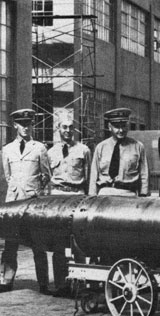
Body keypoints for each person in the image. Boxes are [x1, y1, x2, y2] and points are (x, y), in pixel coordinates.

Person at [0, 109, 51, 295]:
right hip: (13, 203)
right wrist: (17, 190)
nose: (26, 128)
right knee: (10, 244)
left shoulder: (39, 148)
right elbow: (8, 176)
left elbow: (46, 175)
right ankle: (6, 281)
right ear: (15, 125)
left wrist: (34, 191)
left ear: (32, 125)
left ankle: (43, 283)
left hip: (33, 203)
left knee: (38, 245)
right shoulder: (7, 149)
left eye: (29, 124)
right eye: (22, 124)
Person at [46, 113, 91, 297]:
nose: (67, 131)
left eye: (71, 127)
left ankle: (82, 284)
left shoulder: (83, 150)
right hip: (57, 196)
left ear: (74, 129)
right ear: (58, 129)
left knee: (79, 242)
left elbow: (88, 177)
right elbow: (47, 176)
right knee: (58, 243)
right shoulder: (50, 152)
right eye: (64, 127)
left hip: (77, 195)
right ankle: (61, 284)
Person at [89, 108, 149, 197]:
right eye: (117, 126)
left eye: (123, 126)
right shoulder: (101, 147)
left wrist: (144, 194)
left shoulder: (138, 146)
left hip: (128, 193)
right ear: (109, 127)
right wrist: (92, 195)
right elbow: (94, 175)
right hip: (105, 193)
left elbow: (144, 174)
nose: (121, 130)